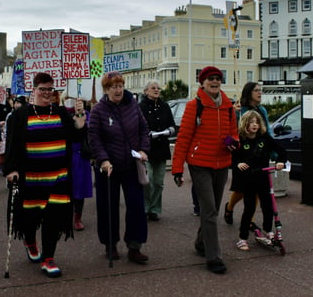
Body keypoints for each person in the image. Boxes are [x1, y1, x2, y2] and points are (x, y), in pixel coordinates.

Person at [3, 73, 86, 278]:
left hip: (58, 178)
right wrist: (12, 170)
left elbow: (75, 137)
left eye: (50, 89)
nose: (47, 93)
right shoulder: (20, 116)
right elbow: (12, 146)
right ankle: (30, 241)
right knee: (30, 219)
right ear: (34, 90)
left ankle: (48, 258)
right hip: (31, 180)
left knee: (54, 219)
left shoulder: (60, 113)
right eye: (43, 89)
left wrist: (80, 120)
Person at [172, 66, 238, 274]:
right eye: (210, 78)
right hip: (199, 163)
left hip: (221, 163)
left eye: (218, 78)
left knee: (214, 209)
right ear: (203, 82)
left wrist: (233, 142)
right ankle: (213, 257)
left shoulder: (228, 107)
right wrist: (177, 169)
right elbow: (183, 138)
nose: (215, 81)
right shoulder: (195, 106)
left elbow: (235, 133)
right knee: (209, 209)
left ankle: (202, 242)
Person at [88, 71, 151, 264]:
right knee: (108, 206)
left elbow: (143, 129)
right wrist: (103, 159)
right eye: (113, 87)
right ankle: (110, 244)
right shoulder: (99, 110)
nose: (118, 90)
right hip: (108, 167)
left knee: (136, 206)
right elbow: (94, 138)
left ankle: (134, 246)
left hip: (131, 164)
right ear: (106, 90)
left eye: (120, 86)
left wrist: (143, 149)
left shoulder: (133, 105)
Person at [232, 110, 286, 251]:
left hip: (263, 176)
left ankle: (268, 230)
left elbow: (280, 150)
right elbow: (232, 155)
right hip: (248, 178)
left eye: (257, 122)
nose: (255, 125)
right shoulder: (240, 139)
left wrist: (280, 161)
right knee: (249, 208)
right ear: (245, 124)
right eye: (251, 122)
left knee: (267, 205)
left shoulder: (264, 138)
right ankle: (242, 238)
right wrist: (237, 163)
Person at [224, 82, 271, 226]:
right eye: (256, 90)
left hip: (259, 154)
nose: (260, 93)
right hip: (244, 154)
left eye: (260, 90)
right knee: (241, 189)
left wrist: (272, 151)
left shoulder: (262, 110)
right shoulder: (239, 110)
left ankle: (249, 219)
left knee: (256, 188)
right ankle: (229, 207)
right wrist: (232, 113)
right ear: (249, 93)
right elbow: (229, 130)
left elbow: (266, 131)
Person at [138, 79, 176, 222]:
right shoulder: (140, 107)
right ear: (146, 91)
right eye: (153, 88)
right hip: (146, 149)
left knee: (159, 182)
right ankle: (145, 208)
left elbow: (172, 126)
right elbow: (137, 127)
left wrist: (167, 131)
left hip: (161, 149)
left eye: (158, 88)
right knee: (148, 181)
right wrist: (147, 134)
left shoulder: (165, 106)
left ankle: (154, 209)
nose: (156, 90)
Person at [61, 91, 93, 231]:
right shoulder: (60, 113)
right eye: (68, 98)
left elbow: (85, 131)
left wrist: (80, 115)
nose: (71, 101)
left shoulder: (86, 113)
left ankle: (77, 217)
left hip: (80, 154)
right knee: (64, 187)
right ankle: (65, 216)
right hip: (64, 155)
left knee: (79, 187)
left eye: (74, 98)